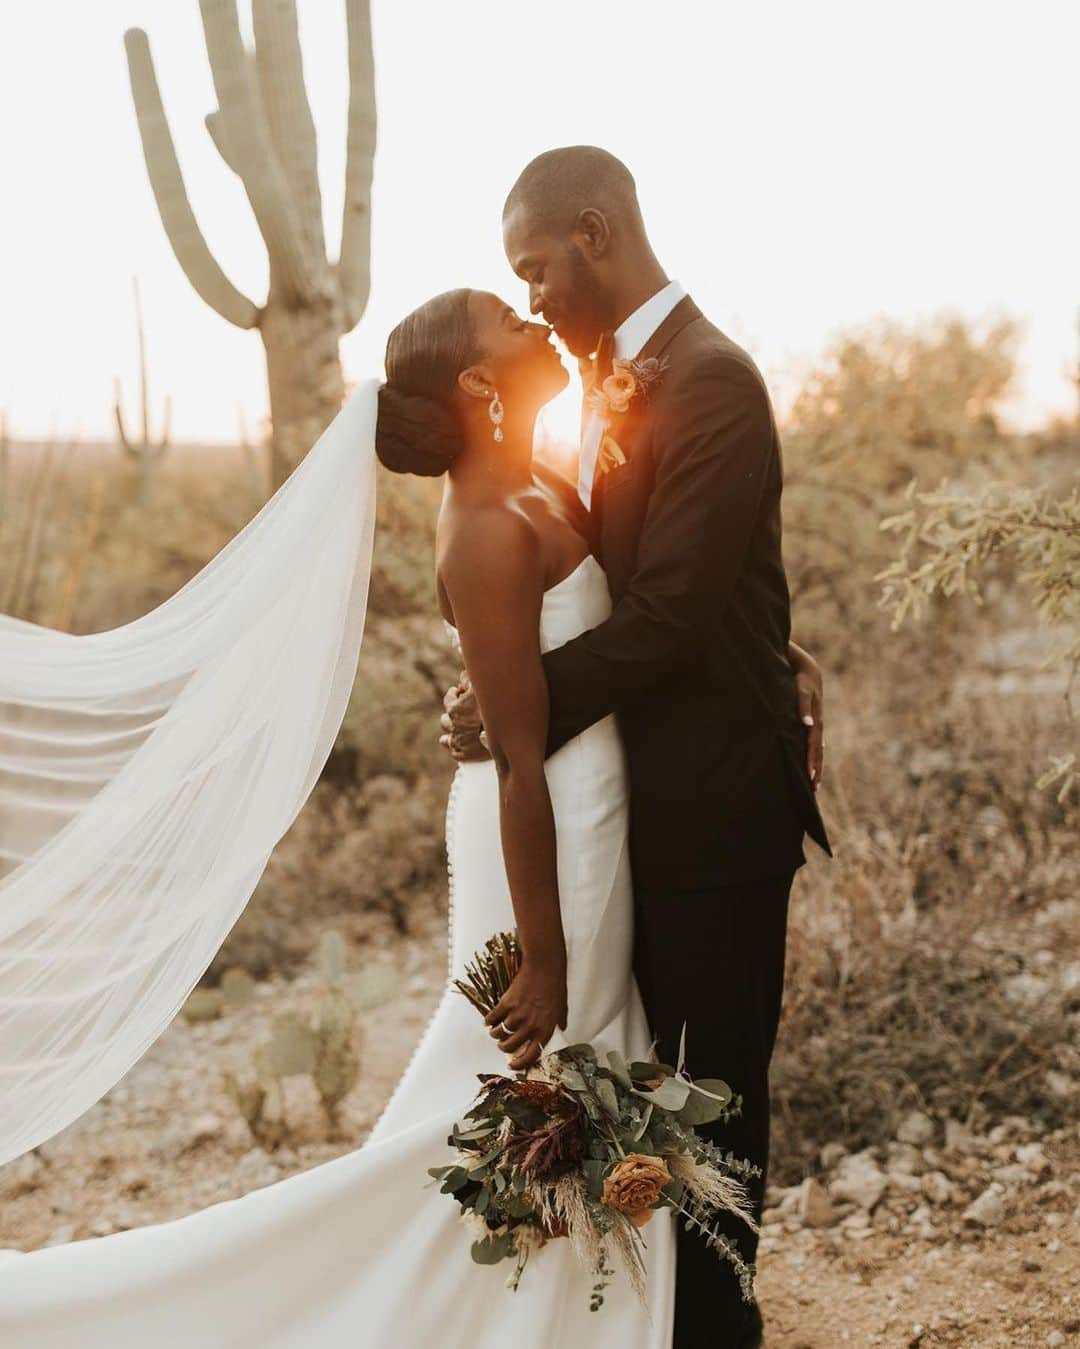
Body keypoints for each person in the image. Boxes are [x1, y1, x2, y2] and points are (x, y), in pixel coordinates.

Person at [0, 289, 680, 1346]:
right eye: (510, 318)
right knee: (535, 1058)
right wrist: (539, 953)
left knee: (548, 1074)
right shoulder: (485, 528)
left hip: (583, 810)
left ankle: (547, 1291)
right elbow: (515, 763)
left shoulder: (538, 486)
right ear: (474, 382)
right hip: (537, 832)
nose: (535, 326)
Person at [441, 146, 833, 1349]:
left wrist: (521, 701)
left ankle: (721, 1326)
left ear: (597, 231)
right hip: (632, 799)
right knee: (636, 1075)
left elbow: (672, 612)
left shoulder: (711, 380)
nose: (534, 296)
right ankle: (649, 1313)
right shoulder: (616, 382)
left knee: (715, 1089)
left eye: (537, 267)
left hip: (716, 801)